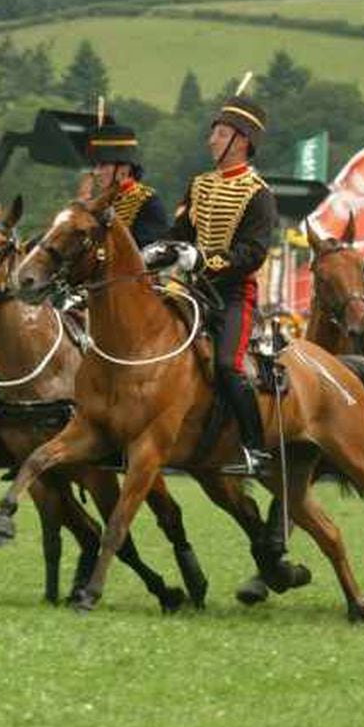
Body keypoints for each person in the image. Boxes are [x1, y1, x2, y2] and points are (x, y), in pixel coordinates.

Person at [144, 95, 277, 476]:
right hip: (192, 290)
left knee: (227, 365)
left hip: (233, 293)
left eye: (219, 134)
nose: (211, 141)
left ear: (241, 140)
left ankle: (255, 448)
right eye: (214, 133)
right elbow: (180, 232)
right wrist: (156, 251)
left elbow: (252, 253)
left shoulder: (259, 194)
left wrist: (204, 259)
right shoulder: (199, 186)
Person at [87, 123, 169, 249]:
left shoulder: (146, 201)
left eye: (103, 166)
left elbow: (148, 252)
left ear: (123, 169)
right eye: (96, 166)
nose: (96, 173)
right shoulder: (98, 203)